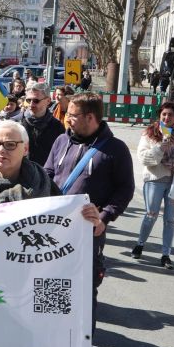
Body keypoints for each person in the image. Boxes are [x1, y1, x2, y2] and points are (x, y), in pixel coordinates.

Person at [44, 92, 134, 332]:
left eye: (72, 115)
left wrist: (104, 218)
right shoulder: (61, 141)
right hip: (53, 230)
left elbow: (125, 189)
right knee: (51, 282)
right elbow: (48, 174)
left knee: (83, 288)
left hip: (88, 233)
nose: (67, 119)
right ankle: (54, 338)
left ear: (90, 117)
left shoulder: (116, 149)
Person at [132, 103, 174, 270]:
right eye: (164, 115)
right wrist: (160, 148)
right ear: (160, 116)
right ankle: (140, 244)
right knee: (151, 214)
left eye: (171, 115)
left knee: (170, 220)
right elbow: (143, 158)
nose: (167, 118)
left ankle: (166, 255)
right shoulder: (150, 133)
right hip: (155, 179)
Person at [20, 83, 65, 166]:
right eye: (28, 100)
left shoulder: (57, 127)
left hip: (46, 175)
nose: (31, 104)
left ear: (48, 101)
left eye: (36, 101)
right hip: (23, 173)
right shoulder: (18, 124)